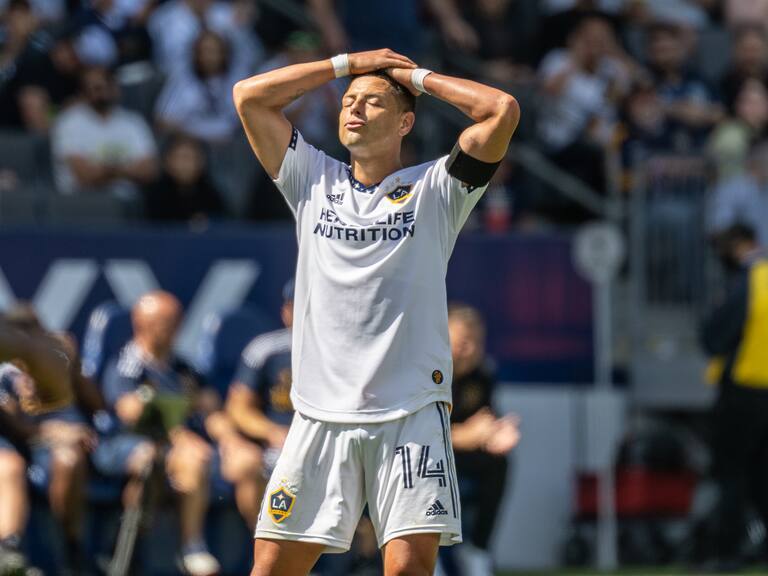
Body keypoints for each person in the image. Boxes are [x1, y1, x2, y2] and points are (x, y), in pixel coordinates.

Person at [234, 47, 519, 575]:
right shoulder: (311, 179)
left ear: (406, 121)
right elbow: (249, 97)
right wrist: (346, 63)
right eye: (348, 101)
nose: (354, 109)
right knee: (271, 568)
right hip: (319, 413)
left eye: (372, 102)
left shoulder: (437, 189)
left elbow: (500, 109)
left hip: (409, 413)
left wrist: (413, 76)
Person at [99, 290, 261, 575]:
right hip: (131, 445)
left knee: (247, 460)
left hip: (188, 448)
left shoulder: (184, 369)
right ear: (142, 324)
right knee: (191, 458)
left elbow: (211, 409)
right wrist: (177, 433)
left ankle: (264, 553)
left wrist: (231, 440)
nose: (175, 327)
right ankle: (191, 547)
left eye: (176, 320)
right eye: (166, 321)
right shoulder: (127, 364)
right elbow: (130, 411)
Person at [701, 223, 768, 570]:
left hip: (744, 389)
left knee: (731, 474)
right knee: (761, 475)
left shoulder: (748, 282)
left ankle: (726, 551)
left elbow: (714, 337)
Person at [445, 304, 519, 576]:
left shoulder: (483, 376)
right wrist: (463, 435)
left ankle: (477, 548)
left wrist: (498, 433)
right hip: (425, 458)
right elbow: (415, 431)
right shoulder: (428, 374)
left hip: (462, 457)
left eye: (477, 342)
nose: (471, 349)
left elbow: (486, 419)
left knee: (499, 463)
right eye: (463, 341)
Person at [50, 65, 158, 197]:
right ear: (83, 92)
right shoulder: (69, 122)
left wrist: (107, 170)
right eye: (96, 87)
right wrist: (125, 170)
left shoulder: (133, 122)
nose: (102, 92)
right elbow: (84, 175)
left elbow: (149, 170)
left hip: (129, 203)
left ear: (115, 87)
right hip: (83, 203)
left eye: (107, 84)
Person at [143, 135, 226, 223]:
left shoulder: (212, 196)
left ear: (201, 162)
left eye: (189, 158)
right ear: (167, 161)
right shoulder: (154, 195)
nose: (184, 165)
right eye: (179, 158)